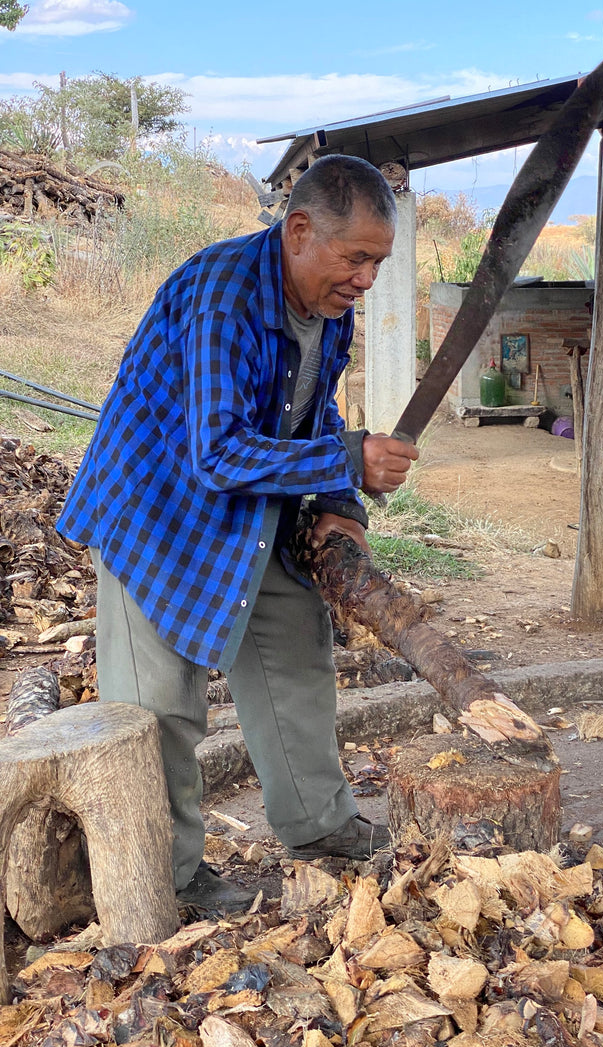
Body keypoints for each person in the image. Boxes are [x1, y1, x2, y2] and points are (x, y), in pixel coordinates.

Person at [56, 154, 419, 911]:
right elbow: (217, 450)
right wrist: (350, 456)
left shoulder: (329, 307)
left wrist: (337, 500)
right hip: (156, 514)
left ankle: (320, 826)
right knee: (158, 712)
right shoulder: (226, 294)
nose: (365, 280)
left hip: (251, 509)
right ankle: (171, 875)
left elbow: (311, 415)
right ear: (297, 231)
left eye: (377, 263)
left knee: (296, 654)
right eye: (355, 258)